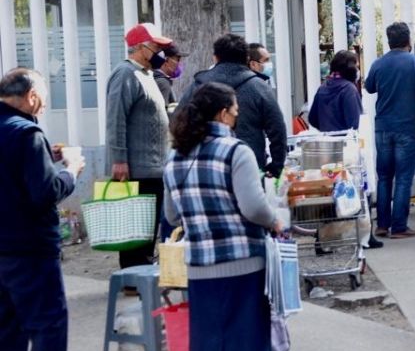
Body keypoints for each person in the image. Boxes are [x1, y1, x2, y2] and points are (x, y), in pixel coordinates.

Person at [163, 82, 280, 351]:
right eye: (235, 111)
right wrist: (275, 220)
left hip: (200, 267)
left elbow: (172, 216)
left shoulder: (176, 157)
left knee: (208, 347)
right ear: (223, 114)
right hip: (242, 265)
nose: (236, 118)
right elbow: (254, 207)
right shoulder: (236, 151)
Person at [0, 69, 84, 351]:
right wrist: (71, 171)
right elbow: (45, 192)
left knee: (7, 337)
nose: (45, 106)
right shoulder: (27, 134)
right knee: (48, 330)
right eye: (44, 99)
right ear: (32, 97)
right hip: (30, 250)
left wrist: (46, 162)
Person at [106, 22, 172, 268]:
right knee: (136, 227)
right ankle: (134, 277)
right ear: (142, 48)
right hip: (135, 168)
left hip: (153, 165)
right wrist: (119, 159)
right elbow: (116, 119)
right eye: (157, 46)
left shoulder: (146, 75)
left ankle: (142, 273)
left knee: (148, 227)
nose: (160, 52)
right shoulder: (125, 74)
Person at [178, 34, 287, 178]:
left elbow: (179, 123)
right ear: (247, 59)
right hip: (249, 168)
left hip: (204, 168)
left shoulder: (197, 86)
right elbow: (277, 130)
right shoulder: (259, 87)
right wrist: (275, 167)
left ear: (215, 58)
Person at [365, 22, 415, 239]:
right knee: (403, 178)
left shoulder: (378, 64)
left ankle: (382, 225)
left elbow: (369, 87)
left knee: (384, 176)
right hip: (407, 127)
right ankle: (399, 226)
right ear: (408, 42)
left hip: (383, 127)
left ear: (389, 41)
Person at [309, 50, 362, 132]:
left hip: (326, 141)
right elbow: (356, 123)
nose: (357, 70)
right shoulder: (349, 90)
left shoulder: (322, 88)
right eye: (356, 67)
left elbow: (312, 119)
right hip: (346, 141)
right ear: (351, 69)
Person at [152, 43, 185, 110]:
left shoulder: (152, 77)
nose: (179, 64)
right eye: (177, 60)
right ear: (166, 61)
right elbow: (162, 113)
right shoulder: (163, 83)